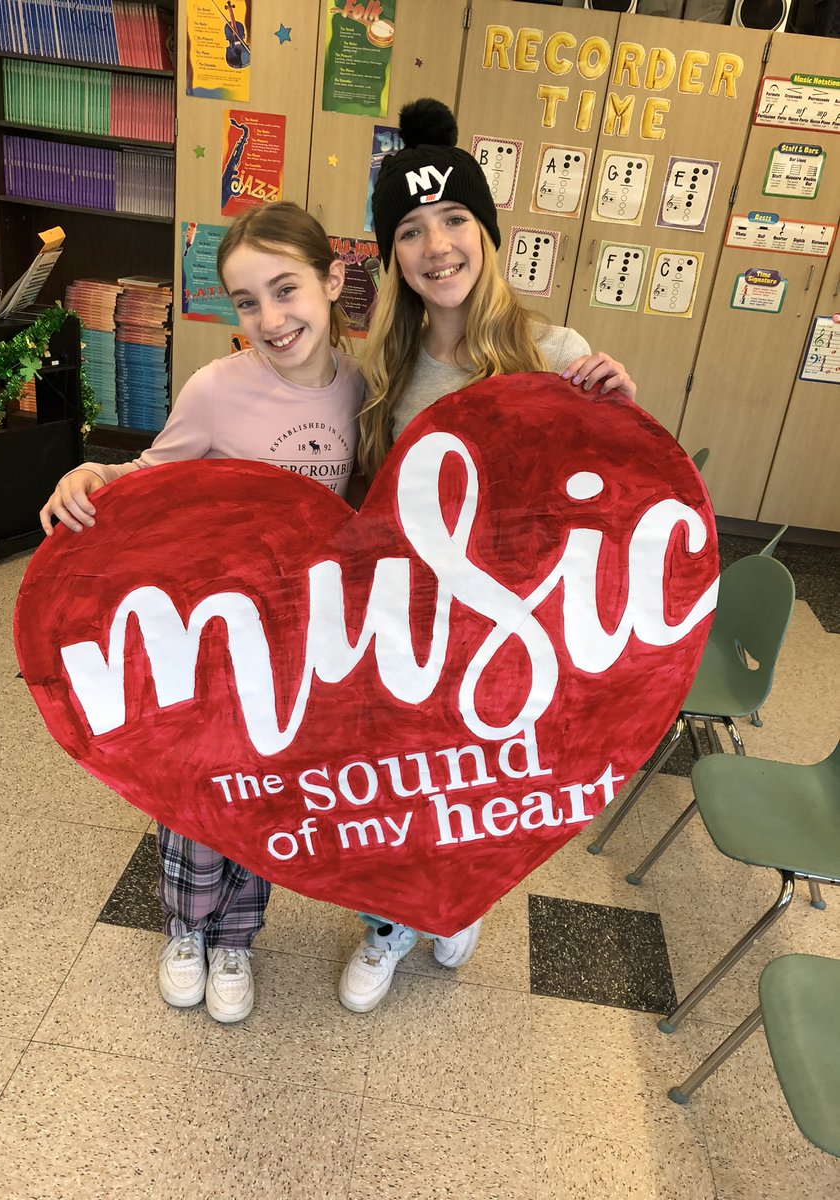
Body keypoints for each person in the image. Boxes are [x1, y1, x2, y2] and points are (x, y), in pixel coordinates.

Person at [339, 98, 636, 1014]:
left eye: (456, 220)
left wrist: (622, 415)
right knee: (403, 784)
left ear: (488, 232)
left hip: (512, 629)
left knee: (479, 786)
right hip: (410, 629)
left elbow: (611, 500)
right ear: (392, 253)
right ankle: (389, 923)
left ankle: (457, 899)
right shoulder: (382, 371)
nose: (437, 247)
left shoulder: (555, 352)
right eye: (413, 230)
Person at [40, 202, 365, 1023]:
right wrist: (92, 476)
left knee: (261, 793)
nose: (270, 318)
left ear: (331, 281)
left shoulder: (364, 390)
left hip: (298, 643)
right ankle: (186, 930)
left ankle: (236, 943)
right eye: (247, 301)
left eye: (286, 289)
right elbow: (154, 473)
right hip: (209, 636)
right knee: (195, 792)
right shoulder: (217, 388)